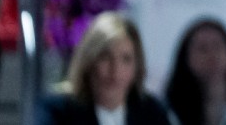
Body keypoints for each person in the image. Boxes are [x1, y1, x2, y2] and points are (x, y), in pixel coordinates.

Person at [36, 12, 175, 125]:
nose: (115, 70)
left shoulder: (153, 112)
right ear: (89, 61)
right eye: (105, 57)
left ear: (137, 66)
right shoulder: (58, 111)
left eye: (126, 59)